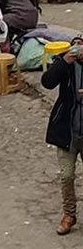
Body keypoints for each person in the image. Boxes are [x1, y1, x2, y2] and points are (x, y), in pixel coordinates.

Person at [41, 36, 83, 235]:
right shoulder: (66, 63)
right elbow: (47, 82)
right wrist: (63, 61)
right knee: (66, 176)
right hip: (67, 131)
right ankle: (69, 215)